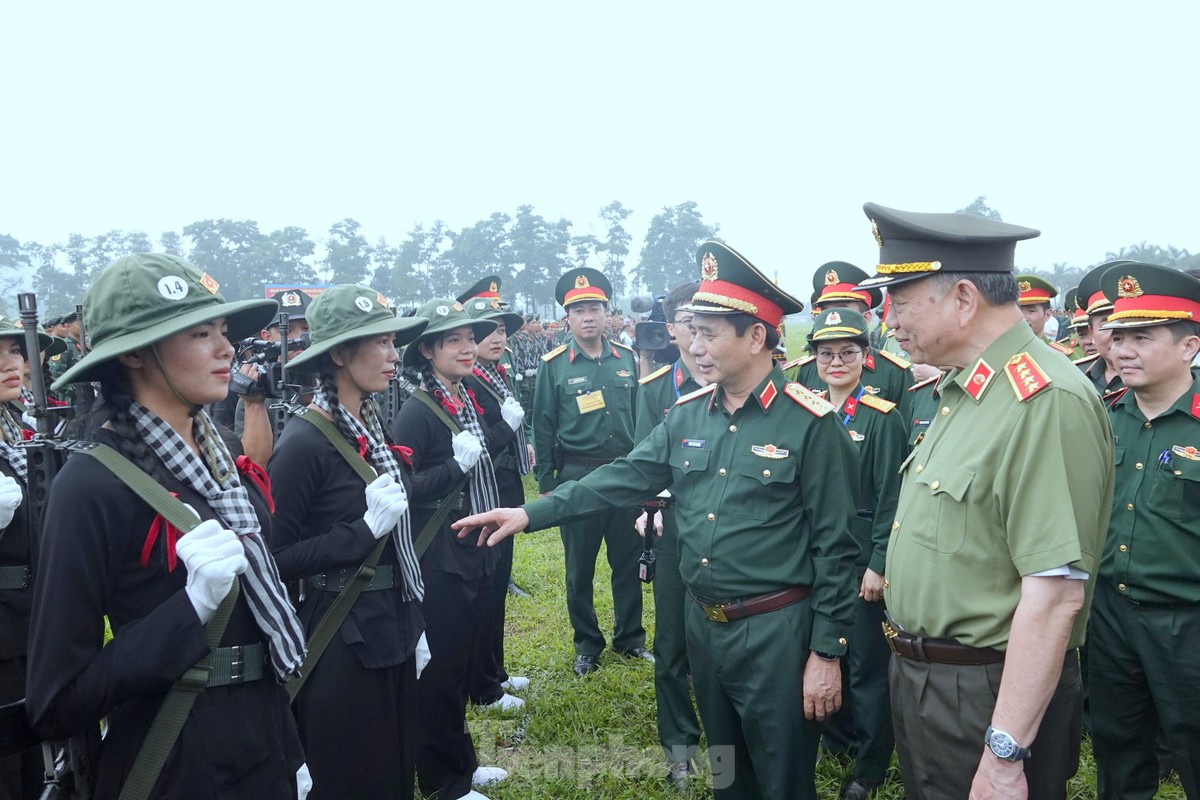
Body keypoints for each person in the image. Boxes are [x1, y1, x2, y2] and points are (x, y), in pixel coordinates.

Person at [454, 241, 859, 800]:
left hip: (777, 632)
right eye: (693, 331)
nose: (694, 346)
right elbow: (621, 476)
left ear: (758, 336)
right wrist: (530, 511)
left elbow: (837, 549)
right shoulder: (688, 415)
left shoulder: (812, 426)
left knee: (784, 777)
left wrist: (827, 653)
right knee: (727, 774)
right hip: (704, 626)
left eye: (710, 332)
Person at [27, 253, 309, 799]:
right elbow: (55, 700)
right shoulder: (92, 486)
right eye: (201, 333)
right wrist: (189, 611)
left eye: (223, 331)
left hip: (264, 739)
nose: (227, 349)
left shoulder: (221, 460)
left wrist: (290, 750)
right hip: (177, 757)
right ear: (134, 352)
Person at [856, 203, 1114, 799]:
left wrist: (1004, 754)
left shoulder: (1044, 402)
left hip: (987, 693)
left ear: (964, 298)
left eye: (900, 298)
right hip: (929, 680)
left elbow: (1054, 597)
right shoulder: (964, 389)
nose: (887, 318)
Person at [266, 284, 428, 800]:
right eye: (378, 342)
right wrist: (361, 534)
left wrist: (415, 619)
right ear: (338, 354)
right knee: (354, 771)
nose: (392, 354)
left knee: (395, 761)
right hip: (340, 633)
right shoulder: (304, 442)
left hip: (391, 618)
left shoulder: (368, 423)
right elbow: (277, 558)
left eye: (391, 341)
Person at [391, 298, 517, 800]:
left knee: (460, 663)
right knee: (440, 675)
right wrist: (455, 468)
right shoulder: (417, 412)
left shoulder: (460, 395)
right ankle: (444, 782)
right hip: (440, 557)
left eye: (471, 339)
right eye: (455, 341)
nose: (468, 349)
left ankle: (460, 764)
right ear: (427, 350)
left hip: (472, 546)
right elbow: (408, 489)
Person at [1086, 263, 1200, 798]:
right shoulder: (1103, 418)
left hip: (1187, 622)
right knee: (1117, 746)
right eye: (1120, 336)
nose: (1122, 349)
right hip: (1110, 615)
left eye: (1143, 337)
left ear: (1188, 346)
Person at [806, 308, 907, 800]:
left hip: (863, 552)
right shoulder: (807, 412)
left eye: (848, 353)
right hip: (819, 555)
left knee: (867, 666)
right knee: (827, 652)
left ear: (866, 358)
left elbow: (893, 497)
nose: (837, 362)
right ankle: (837, 740)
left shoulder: (880, 417)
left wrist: (879, 563)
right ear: (816, 362)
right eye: (827, 354)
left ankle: (869, 765)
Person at [532, 267, 648, 676]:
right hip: (577, 477)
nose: (588, 317)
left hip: (624, 476)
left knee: (628, 561)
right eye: (578, 310)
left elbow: (642, 416)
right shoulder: (555, 365)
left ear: (608, 313)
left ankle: (630, 637)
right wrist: (548, 483)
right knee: (578, 568)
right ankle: (587, 644)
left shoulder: (628, 359)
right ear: (567, 318)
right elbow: (542, 424)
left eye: (595, 308)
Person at [632, 280, 705, 787]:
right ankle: (679, 743)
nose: (697, 334)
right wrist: (649, 509)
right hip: (676, 529)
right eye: (688, 321)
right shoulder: (656, 388)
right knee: (671, 641)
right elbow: (644, 465)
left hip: (740, 536)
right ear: (672, 328)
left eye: (708, 322)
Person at [459, 278, 532, 712]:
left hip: (506, 483)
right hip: (488, 489)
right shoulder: (469, 380)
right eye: (489, 330)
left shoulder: (494, 374)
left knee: (498, 580)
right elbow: (483, 440)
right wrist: (507, 430)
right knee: (487, 586)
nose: (499, 337)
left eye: (503, 329)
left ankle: (495, 671)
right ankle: (483, 685)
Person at [0, 316, 56, 799]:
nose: (10, 364)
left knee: (27, 768)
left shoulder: (18, 429)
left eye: (16, 351)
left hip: (27, 621)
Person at [784, 261, 914, 411]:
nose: (833, 318)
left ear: (866, 318)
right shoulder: (804, 371)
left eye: (843, 310)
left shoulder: (894, 372)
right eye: (826, 311)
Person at [234, 288, 314, 465]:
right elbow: (252, 464)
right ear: (266, 337)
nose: (297, 338)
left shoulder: (332, 381)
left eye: (306, 328)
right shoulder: (258, 390)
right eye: (286, 331)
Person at [1075, 261, 1131, 400]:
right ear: (1092, 331)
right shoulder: (1074, 374)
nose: (1116, 335)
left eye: (1126, 322)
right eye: (1107, 324)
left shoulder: (1163, 378)